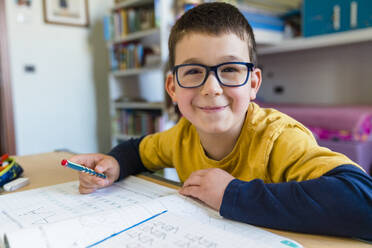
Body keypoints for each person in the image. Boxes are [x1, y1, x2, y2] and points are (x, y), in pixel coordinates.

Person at [71, 2, 372, 240]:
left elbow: (361, 201)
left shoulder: (278, 138)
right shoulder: (181, 135)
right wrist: (113, 165)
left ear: (253, 83)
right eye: (192, 71)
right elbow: (137, 150)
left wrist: (233, 194)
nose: (211, 88)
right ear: (172, 88)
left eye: (229, 69)